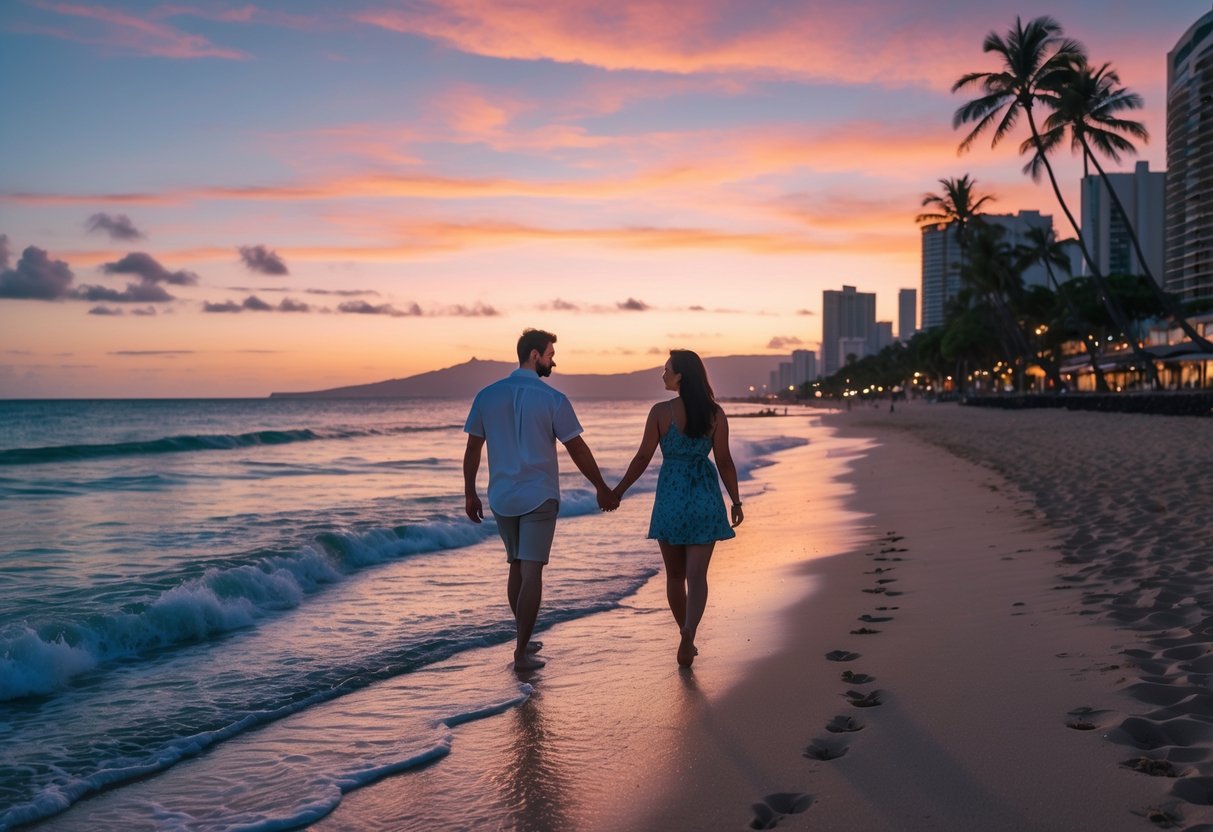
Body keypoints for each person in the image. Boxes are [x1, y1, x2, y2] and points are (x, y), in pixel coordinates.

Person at [464, 328, 619, 672]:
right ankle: (521, 650)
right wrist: (601, 486)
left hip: (501, 495)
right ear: (534, 356)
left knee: (516, 566)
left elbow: (473, 447)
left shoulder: (486, 396)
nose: (553, 361)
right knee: (532, 572)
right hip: (539, 495)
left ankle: (522, 637)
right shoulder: (553, 399)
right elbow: (576, 447)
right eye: (550, 354)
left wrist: (469, 491)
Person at [612, 349, 742, 667]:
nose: (663, 374)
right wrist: (736, 501)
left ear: (680, 375)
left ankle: (684, 634)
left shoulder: (660, 412)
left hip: (671, 496)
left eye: (667, 369)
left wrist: (617, 491)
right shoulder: (715, 414)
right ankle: (689, 634)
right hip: (705, 497)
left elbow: (642, 458)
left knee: (675, 575)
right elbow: (724, 461)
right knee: (698, 577)